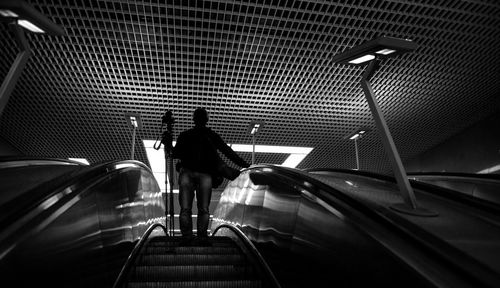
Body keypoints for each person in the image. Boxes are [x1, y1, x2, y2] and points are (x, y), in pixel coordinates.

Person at [173, 107, 250, 245]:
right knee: (204, 208)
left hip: (187, 172)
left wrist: (168, 144)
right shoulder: (211, 135)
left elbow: (175, 153)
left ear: (194, 119)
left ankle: (186, 237)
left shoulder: (185, 135)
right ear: (206, 119)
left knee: (185, 208)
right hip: (205, 174)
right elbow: (228, 152)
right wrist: (244, 165)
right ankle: (202, 237)